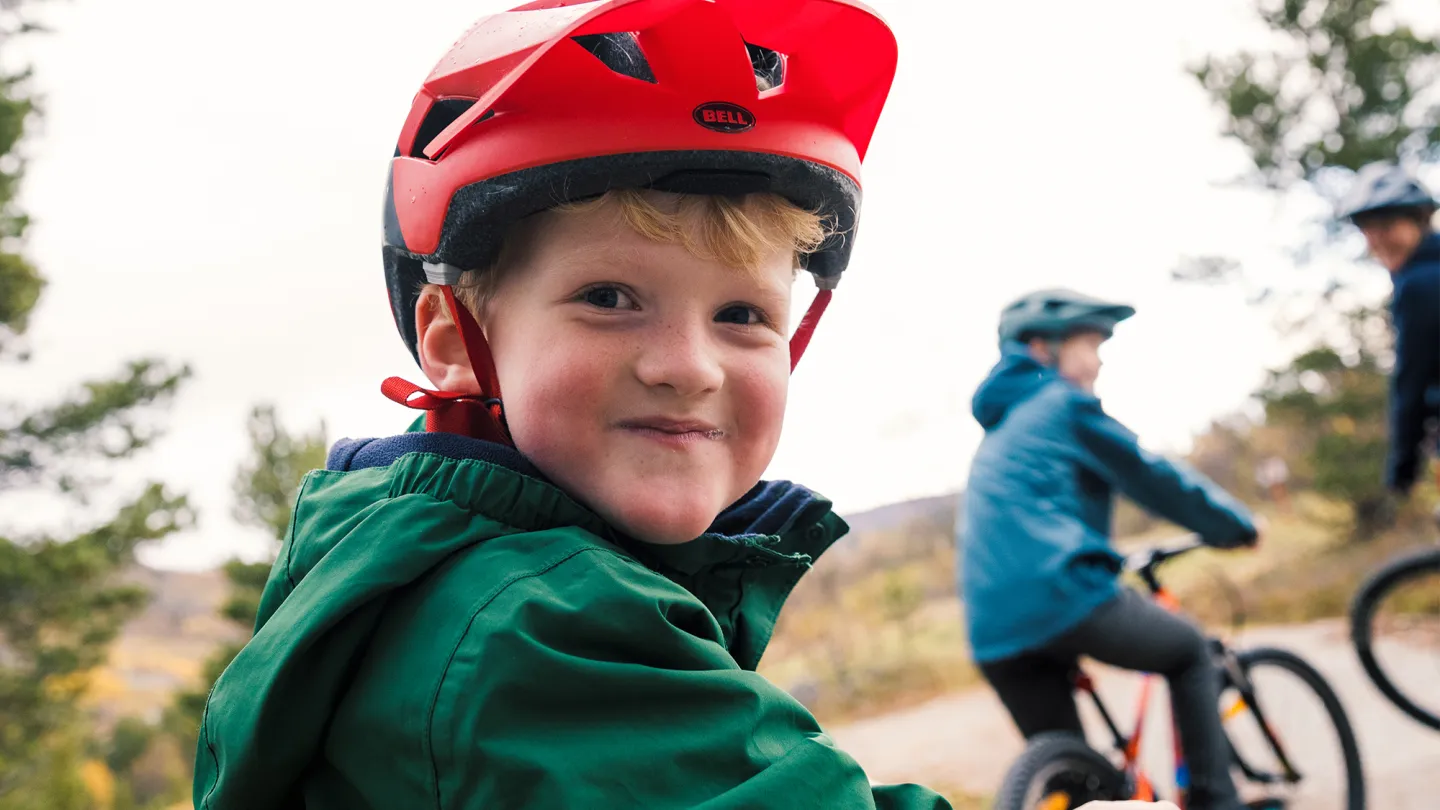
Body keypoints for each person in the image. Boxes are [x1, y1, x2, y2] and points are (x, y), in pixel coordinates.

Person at [189, 1, 981, 807]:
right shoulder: (531, 627)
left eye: (742, 315)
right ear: (455, 339)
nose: (688, 367)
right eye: (609, 297)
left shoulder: (417, 565)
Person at [959, 289, 1263, 810]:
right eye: (1088, 344)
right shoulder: (1061, 404)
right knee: (1190, 652)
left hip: (992, 633)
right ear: (1041, 347)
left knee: (1080, 786)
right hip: (1063, 594)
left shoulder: (1002, 431)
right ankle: (1217, 801)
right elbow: (1151, 476)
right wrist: (1232, 526)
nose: (1098, 360)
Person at [1336, 162, 1440, 496]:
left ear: (1418, 220)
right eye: (1367, 228)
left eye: (1386, 224)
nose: (1375, 238)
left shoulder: (1419, 285)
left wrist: (1402, 468)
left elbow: (1411, 382)